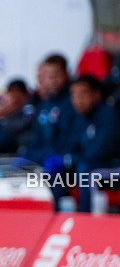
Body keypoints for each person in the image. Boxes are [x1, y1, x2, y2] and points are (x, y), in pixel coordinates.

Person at [45, 75, 120, 212]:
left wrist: (70, 159)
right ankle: (60, 215)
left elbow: (101, 152)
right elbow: (69, 145)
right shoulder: (78, 117)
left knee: (84, 170)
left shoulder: (109, 115)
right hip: (86, 163)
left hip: (111, 166)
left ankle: (85, 218)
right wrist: (64, 157)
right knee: (55, 171)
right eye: (73, 95)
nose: (77, 100)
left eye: (83, 94)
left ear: (96, 95)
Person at [21, 54, 75, 168]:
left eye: (56, 76)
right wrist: (29, 153)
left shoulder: (73, 102)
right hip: (43, 155)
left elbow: (70, 137)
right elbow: (37, 136)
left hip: (63, 160)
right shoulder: (44, 104)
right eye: (49, 77)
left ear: (66, 74)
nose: (52, 81)